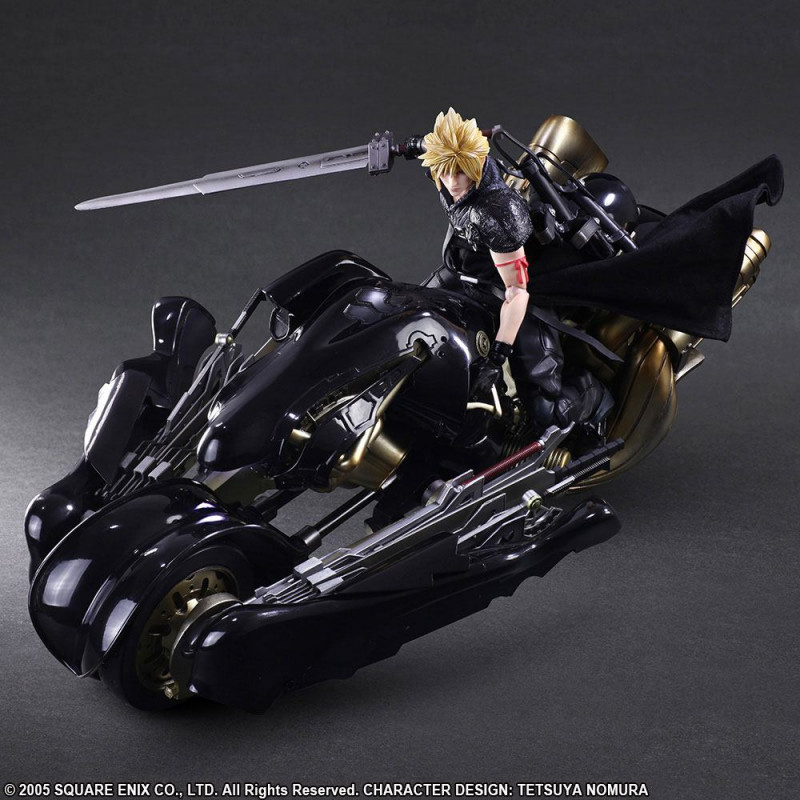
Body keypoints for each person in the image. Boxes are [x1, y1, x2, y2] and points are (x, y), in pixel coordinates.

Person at [418, 108, 610, 430]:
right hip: (464, 273)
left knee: (546, 411)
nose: (451, 182)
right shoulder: (449, 176)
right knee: (409, 314)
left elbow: (517, 293)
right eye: (444, 172)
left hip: (517, 299)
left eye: (460, 172)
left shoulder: (500, 213)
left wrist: (497, 356)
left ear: (476, 165)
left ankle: (594, 394)